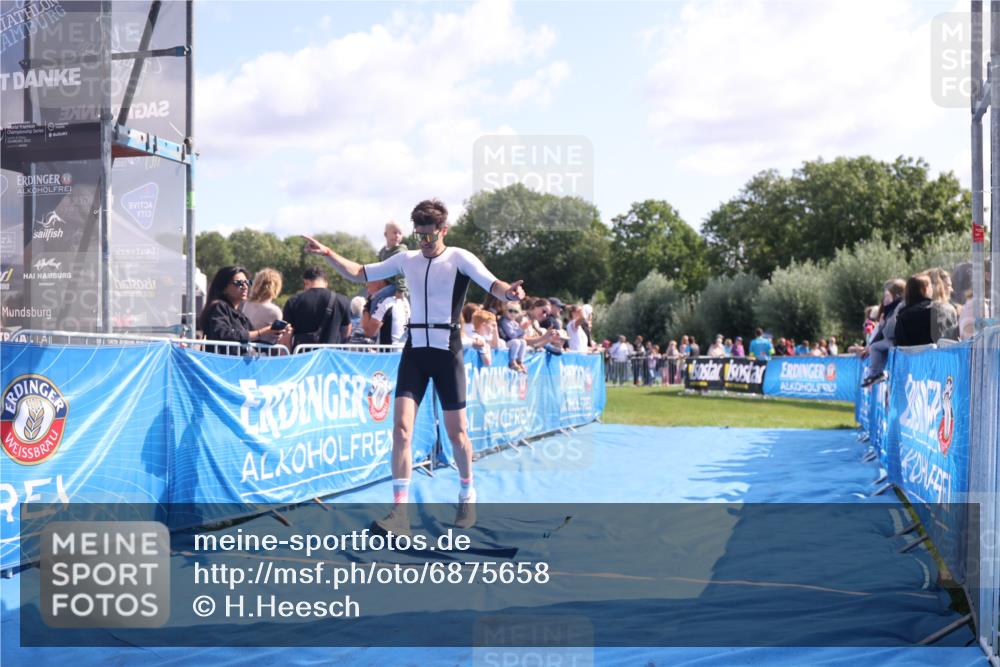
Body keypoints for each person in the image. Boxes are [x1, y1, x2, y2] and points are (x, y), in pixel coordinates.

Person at [302, 198, 526, 532]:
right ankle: (400, 513)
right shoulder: (406, 260)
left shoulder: (460, 258)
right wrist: (329, 254)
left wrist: (510, 294)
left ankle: (467, 494)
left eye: (429, 236)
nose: (423, 242)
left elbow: (494, 284)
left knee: (458, 434)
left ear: (443, 231)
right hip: (415, 351)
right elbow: (359, 272)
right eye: (419, 235)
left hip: (446, 351)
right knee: (401, 430)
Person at [198, 266, 290, 355]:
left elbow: (256, 343)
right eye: (239, 283)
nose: (245, 286)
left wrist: (276, 334)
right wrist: (261, 332)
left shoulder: (240, 314)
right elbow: (224, 335)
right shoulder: (218, 307)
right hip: (221, 366)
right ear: (224, 287)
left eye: (247, 282)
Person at [283, 267, 352, 351]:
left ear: (306, 282)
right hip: (331, 357)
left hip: (302, 357)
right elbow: (346, 331)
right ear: (326, 282)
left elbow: (287, 334)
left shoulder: (293, 301)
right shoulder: (342, 300)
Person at [362, 278, 410, 346]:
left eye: (368, 285)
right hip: (402, 352)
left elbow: (369, 332)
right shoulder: (405, 301)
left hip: (388, 354)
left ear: (379, 281)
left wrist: (366, 307)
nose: (367, 290)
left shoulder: (385, 302)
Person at [894, 274, 935, 347]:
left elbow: (899, 342)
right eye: (931, 286)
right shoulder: (934, 310)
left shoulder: (902, 315)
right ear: (925, 289)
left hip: (909, 357)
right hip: (932, 356)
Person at [497, 302, 528, 373]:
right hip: (504, 342)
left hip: (511, 342)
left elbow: (521, 336)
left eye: (516, 311)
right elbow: (512, 335)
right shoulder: (504, 321)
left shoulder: (515, 323)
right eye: (510, 311)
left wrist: (523, 330)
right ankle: (512, 361)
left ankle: (519, 361)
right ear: (505, 311)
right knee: (516, 342)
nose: (513, 313)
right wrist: (521, 329)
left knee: (523, 342)